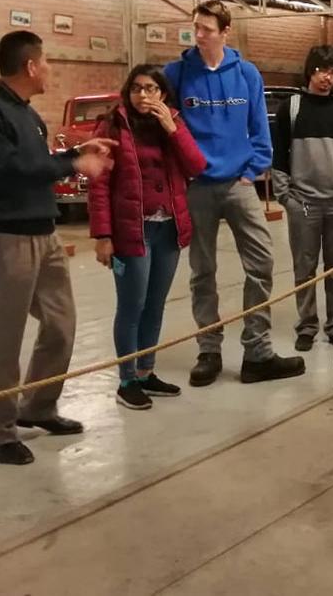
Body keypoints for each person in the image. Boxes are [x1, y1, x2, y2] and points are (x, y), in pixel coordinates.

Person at [0, 31, 116, 465]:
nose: (49, 69)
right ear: (30, 66)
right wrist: (71, 162)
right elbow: (7, 169)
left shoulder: (27, 115)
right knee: (1, 341)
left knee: (61, 326)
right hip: (5, 238)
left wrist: (77, 150)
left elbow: (36, 162)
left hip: (44, 236)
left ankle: (38, 407)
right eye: (45, 62)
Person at [164, 0, 305, 386]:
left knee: (260, 264)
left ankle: (257, 351)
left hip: (239, 184)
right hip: (198, 187)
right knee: (202, 272)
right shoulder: (176, 74)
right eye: (196, 27)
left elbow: (261, 128)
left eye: (207, 29)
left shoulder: (246, 74)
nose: (199, 35)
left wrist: (253, 169)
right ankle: (209, 350)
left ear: (226, 31)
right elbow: (165, 127)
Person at [88, 65, 207, 410]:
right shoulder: (113, 125)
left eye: (151, 89)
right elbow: (99, 184)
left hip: (167, 230)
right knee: (132, 305)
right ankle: (126, 380)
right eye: (137, 88)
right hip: (131, 231)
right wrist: (103, 236)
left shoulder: (172, 122)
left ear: (163, 94)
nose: (143, 95)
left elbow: (196, 166)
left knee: (155, 305)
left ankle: (146, 372)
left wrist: (172, 129)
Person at [272, 45, 333, 352]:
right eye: (322, 70)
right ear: (310, 70)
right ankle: (307, 325)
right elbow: (280, 154)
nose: (327, 78)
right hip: (303, 203)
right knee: (305, 267)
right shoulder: (291, 108)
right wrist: (286, 196)